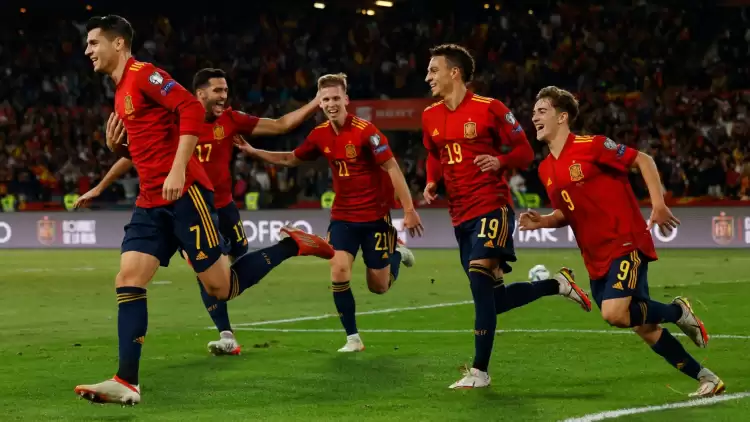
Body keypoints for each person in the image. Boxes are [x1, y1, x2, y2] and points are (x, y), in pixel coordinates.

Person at [74, 15, 334, 406]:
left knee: (220, 288)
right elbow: (148, 149)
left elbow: (189, 109)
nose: (88, 50)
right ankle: (127, 380)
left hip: (185, 195)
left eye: (94, 43)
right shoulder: (120, 89)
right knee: (128, 278)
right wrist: (118, 150)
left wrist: (179, 168)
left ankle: (291, 245)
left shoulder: (144, 75)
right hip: (151, 200)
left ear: (118, 43)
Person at [521, 85, 724, 398]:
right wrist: (544, 221)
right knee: (643, 326)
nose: (535, 117)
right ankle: (707, 378)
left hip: (625, 241)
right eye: (534, 112)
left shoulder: (592, 145)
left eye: (542, 111)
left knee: (614, 313)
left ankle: (677, 312)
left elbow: (643, 160)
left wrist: (658, 203)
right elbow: (567, 212)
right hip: (595, 255)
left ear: (562, 117)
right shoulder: (546, 168)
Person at [421, 44, 591, 389]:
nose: (428, 77)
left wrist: (499, 161)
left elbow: (525, 151)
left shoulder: (490, 108)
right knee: (493, 301)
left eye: (434, 70)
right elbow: (434, 154)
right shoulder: (429, 116)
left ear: (454, 72)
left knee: (478, 274)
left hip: (491, 205)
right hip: (459, 216)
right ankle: (557, 284)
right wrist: (431, 181)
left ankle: (479, 372)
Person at [236, 73, 423, 352]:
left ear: (346, 99)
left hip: (375, 218)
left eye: (336, 98)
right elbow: (290, 158)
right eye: (326, 99)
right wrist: (253, 151)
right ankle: (353, 338)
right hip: (343, 217)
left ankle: (397, 253)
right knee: (338, 269)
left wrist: (409, 209)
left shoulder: (366, 131)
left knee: (379, 287)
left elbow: (392, 167)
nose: (331, 103)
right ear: (320, 103)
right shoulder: (319, 134)